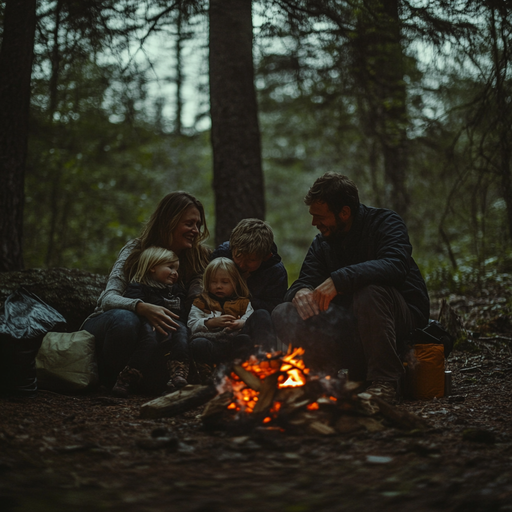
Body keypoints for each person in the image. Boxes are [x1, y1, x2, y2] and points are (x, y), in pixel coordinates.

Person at [272, 173, 430, 402]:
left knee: (370, 291)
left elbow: (396, 265)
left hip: (398, 322)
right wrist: (301, 291)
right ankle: (321, 379)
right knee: (284, 311)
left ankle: (385, 382)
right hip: (349, 328)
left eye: (320, 216)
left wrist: (340, 280)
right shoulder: (322, 243)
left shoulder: (385, 223)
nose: (314, 223)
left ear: (344, 212)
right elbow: (304, 279)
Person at [83, 192, 210, 394]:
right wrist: (141, 308)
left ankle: (143, 380)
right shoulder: (135, 250)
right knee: (126, 320)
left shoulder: (197, 258)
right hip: (111, 325)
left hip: (160, 335)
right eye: (189, 224)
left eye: (198, 225)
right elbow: (107, 298)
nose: (195, 230)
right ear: (170, 221)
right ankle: (109, 380)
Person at [114, 247, 189, 397]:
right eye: (170, 267)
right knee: (149, 338)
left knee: (182, 332)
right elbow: (132, 305)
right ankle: (128, 377)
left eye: (177, 269)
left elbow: (183, 310)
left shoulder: (176, 290)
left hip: (172, 323)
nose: (175, 273)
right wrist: (147, 319)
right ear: (153, 267)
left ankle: (178, 372)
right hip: (149, 323)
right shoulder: (139, 286)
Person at [188, 257, 276, 373]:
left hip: (234, 344)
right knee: (198, 344)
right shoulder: (201, 302)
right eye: (213, 282)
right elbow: (192, 324)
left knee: (246, 336)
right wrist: (211, 323)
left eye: (224, 282)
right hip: (213, 344)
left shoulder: (243, 303)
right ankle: (209, 371)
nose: (218, 286)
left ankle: (265, 359)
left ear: (235, 283)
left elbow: (249, 318)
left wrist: (240, 323)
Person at [210, 218, 287, 313]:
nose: (241, 265)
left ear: (266, 257)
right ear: (232, 247)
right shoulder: (221, 255)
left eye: (251, 260)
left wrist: (242, 302)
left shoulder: (275, 272)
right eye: (238, 257)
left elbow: (273, 306)